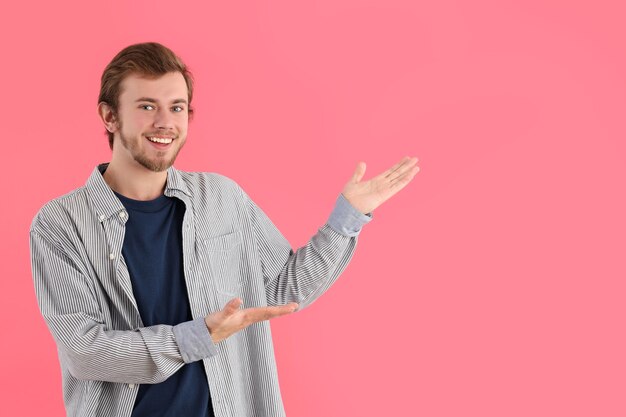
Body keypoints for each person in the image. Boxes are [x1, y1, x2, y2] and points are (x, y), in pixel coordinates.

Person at [30, 42, 420, 417]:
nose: (165, 123)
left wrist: (348, 217)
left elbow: (281, 289)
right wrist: (198, 337)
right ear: (110, 116)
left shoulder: (221, 197)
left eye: (177, 107)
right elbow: (86, 351)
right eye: (147, 106)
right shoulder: (61, 225)